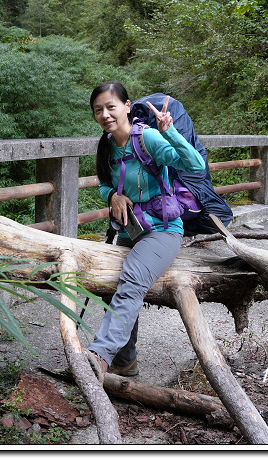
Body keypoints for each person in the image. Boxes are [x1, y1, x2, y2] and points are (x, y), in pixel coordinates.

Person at [85, 81, 205, 382]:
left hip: (163, 229)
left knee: (132, 280)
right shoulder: (106, 145)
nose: (105, 114)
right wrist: (112, 196)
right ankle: (125, 362)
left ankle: (99, 354)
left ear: (127, 106)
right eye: (98, 110)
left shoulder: (148, 138)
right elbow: (102, 183)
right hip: (129, 228)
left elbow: (195, 163)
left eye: (111, 106)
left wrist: (169, 132)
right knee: (116, 289)